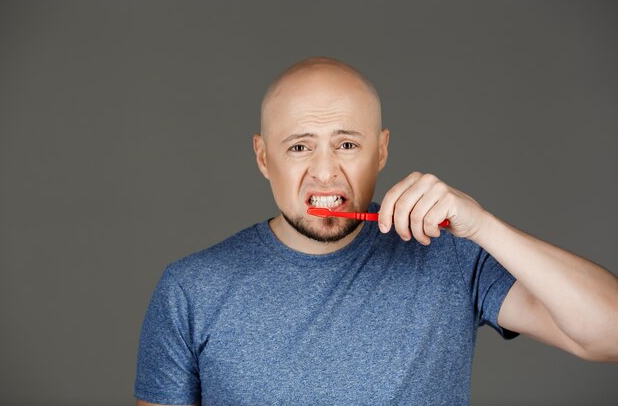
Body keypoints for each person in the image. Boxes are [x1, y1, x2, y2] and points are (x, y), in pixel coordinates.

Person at [135, 57, 618, 406]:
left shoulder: (449, 253)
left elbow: (608, 334)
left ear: (381, 151)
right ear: (263, 157)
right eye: (300, 147)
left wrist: (484, 225)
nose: (325, 172)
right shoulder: (190, 290)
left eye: (347, 143)